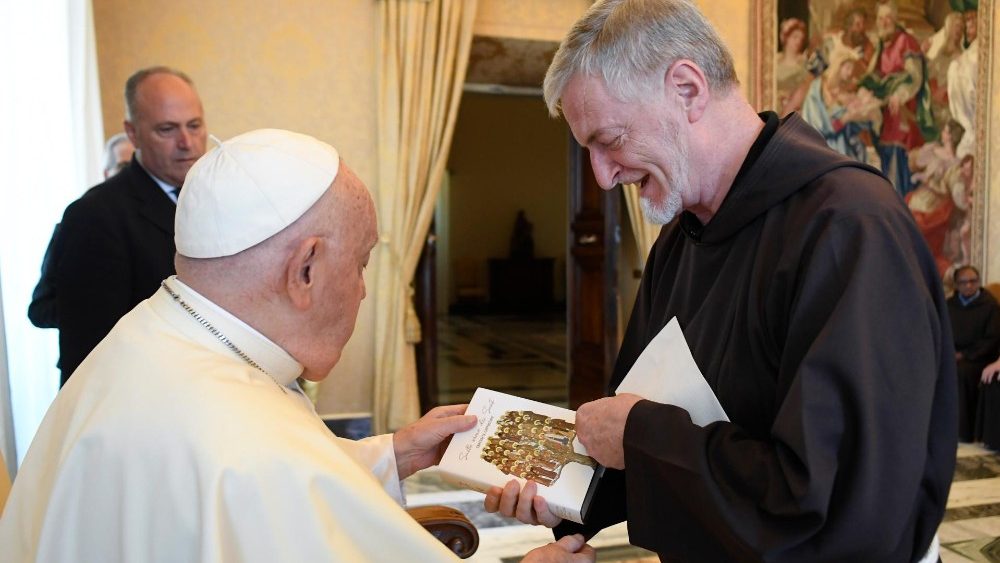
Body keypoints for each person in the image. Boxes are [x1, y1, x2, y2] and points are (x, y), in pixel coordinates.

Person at [488, 0, 957, 560]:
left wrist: (642, 436)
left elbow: (836, 504)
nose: (604, 176)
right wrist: (568, 492)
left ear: (687, 88)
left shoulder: (850, 229)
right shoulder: (682, 237)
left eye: (609, 140)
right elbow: (645, 420)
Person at [0, 129, 594, 563]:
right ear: (304, 269)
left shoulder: (150, 335)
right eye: (360, 264)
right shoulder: (248, 446)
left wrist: (397, 453)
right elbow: (271, 474)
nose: (363, 292)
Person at [53, 66, 207, 385]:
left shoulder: (221, 197)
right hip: (142, 405)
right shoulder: (94, 216)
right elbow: (89, 354)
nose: (187, 142)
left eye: (195, 125)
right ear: (133, 132)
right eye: (167, 129)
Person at [27, 133, 136, 330]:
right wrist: (93, 310)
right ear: (106, 173)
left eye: (137, 168)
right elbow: (39, 310)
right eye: (124, 167)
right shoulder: (76, 224)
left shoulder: (164, 220)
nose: (131, 175)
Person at [859, 1, 934, 197]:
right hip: (885, 114)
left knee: (895, 157)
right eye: (881, 18)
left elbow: (915, 77)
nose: (884, 22)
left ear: (896, 19)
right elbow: (873, 77)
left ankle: (898, 205)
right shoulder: (882, 46)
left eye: (888, 18)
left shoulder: (906, 41)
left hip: (903, 110)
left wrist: (899, 95)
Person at [947, 265, 1000, 442]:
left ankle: (963, 431)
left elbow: (992, 339)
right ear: (956, 284)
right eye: (964, 282)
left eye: (973, 281)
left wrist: (965, 354)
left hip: (979, 357)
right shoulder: (949, 305)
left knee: (961, 372)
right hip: (952, 354)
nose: (969, 285)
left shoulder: (990, 305)